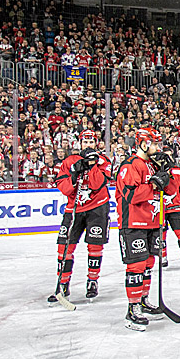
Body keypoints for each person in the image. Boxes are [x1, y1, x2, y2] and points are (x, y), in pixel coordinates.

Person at [115, 127, 170, 331]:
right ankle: (133, 308)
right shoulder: (130, 165)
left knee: (148, 263)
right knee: (136, 266)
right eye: (154, 143)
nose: (157, 147)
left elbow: (166, 190)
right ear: (144, 143)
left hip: (153, 222)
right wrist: (154, 186)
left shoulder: (152, 165)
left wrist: (168, 173)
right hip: (133, 224)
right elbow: (131, 196)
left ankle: (144, 300)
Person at [49, 130, 112, 304]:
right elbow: (64, 189)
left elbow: (97, 184)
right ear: (80, 144)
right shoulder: (69, 162)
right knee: (64, 247)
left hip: (98, 209)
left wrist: (92, 166)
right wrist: (74, 175)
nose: (88, 146)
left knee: (95, 245)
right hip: (73, 210)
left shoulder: (104, 162)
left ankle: (92, 281)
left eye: (91, 143)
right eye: (85, 143)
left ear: (97, 144)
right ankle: (62, 284)